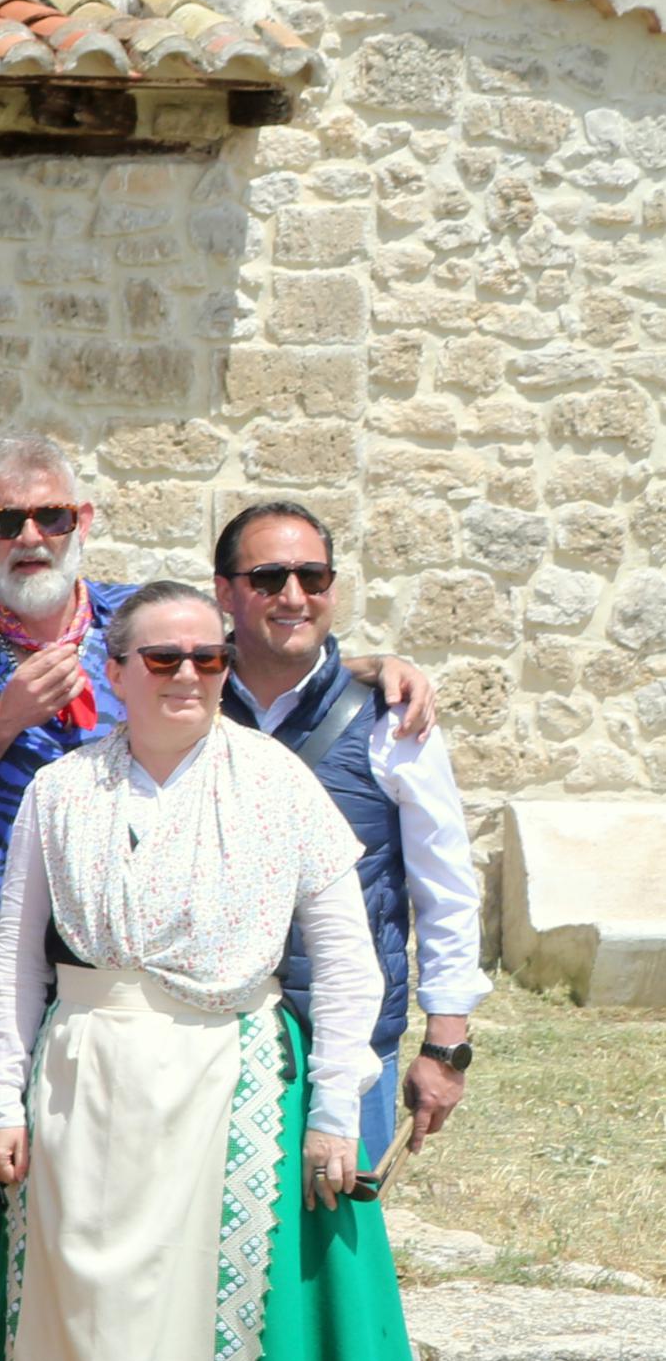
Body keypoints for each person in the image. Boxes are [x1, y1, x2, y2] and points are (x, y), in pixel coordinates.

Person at [0, 583, 448, 1361]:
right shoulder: (59, 791)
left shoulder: (277, 784)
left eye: (207, 660)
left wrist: (332, 1110)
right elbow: (14, 956)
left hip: (231, 1081)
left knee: (219, 1346)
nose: (185, 676)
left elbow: (348, 958)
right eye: (160, 658)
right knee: (95, 1326)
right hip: (85, 1076)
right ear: (110, 671)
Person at [0, 437, 431, 1361]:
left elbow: (257, 628)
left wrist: (367, 669)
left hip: (207, 1030)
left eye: (49, 516)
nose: (29, 536)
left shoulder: (142, 618)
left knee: (208, 1274)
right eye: (6, 519)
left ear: (81, 522)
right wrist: (2, 722)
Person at [214, 503, 484, 1197]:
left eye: (312, 575)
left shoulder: (392, 719)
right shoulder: (180, 702)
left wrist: (444, 1047)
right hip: (204, 1036)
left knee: (331, 1274)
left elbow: (445, 886)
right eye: (268, 577)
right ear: (224, 592)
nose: (293, 597)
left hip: (345, 1045)